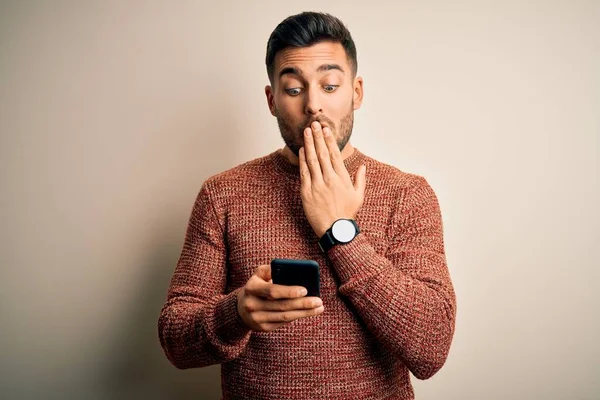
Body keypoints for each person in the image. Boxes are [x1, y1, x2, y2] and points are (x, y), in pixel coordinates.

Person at [158, 11, 456, 400]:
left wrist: (339, 231)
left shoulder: (406, 193)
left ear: (357, 92)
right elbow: (175, 338)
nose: (314, 105)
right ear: (272, 100)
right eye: (294, 89)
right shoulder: (223, 194)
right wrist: (236, 313)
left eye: (330, 86)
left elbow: (431, 347)